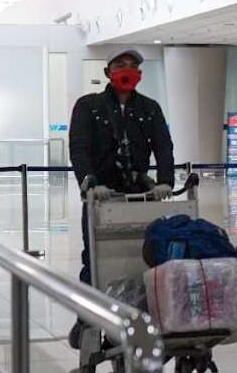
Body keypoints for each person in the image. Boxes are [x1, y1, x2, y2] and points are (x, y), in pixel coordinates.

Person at [67, 48, 175, 349]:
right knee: (95, 259)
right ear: (107, 73)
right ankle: (86, 318)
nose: (127, 71)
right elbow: (79, 146)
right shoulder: (89, 106)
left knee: (140, 256)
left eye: (132, 66)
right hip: (101, 196)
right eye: (120, 65)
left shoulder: (150, 108)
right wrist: (89, 183)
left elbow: (163, 146)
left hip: (139, 195)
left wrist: (165, 181)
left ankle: (136, 316)